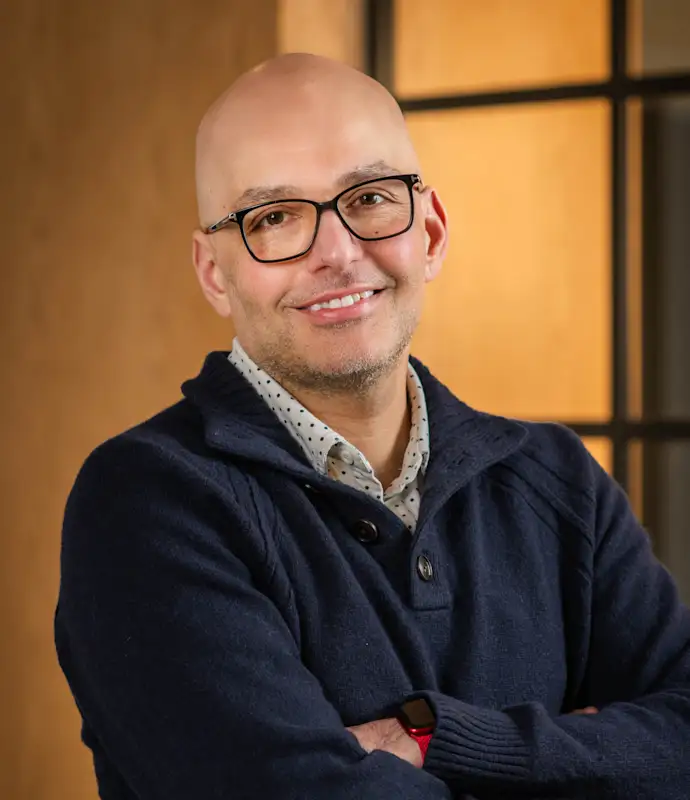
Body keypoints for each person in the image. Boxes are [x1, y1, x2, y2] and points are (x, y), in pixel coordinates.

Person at [55, 53, 690, 800]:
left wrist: (435, 736)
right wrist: (588, 764)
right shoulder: (147, 502)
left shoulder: (560, 481)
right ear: (213, 273)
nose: (337, 252)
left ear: (433, 230)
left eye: (370, 197)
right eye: (275, 217)